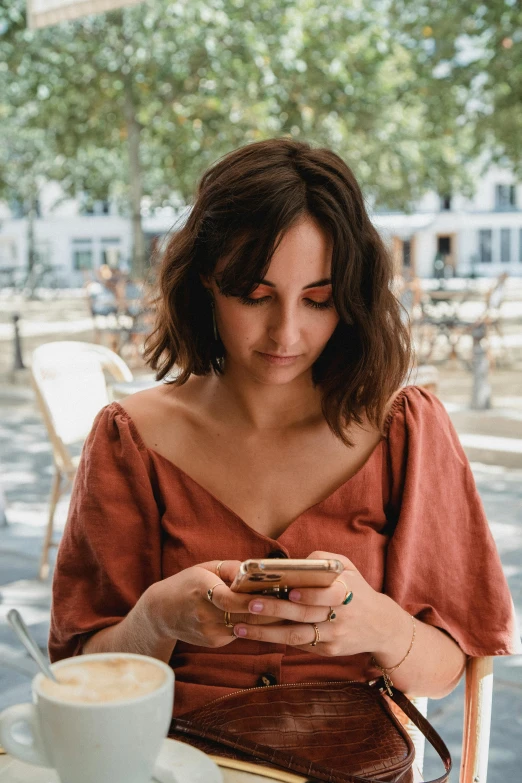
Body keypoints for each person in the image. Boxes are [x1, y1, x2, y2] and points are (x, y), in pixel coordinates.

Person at [49, 139, 519, 719]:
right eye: (255, 296)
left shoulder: (404, 432)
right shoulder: (132, 439)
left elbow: (450, 668)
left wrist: (379, 625)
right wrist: (156, 619)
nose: (286, 334)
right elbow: (78, 668)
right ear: (204, 282)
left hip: (344, 759)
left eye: (318, 300)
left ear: (351, 300)